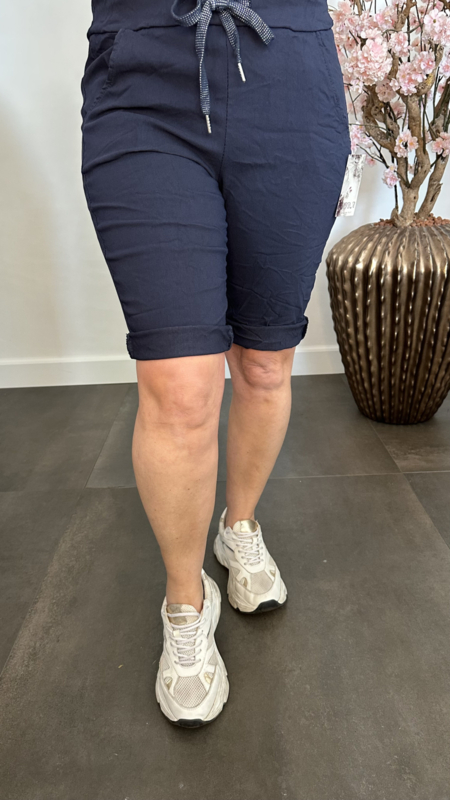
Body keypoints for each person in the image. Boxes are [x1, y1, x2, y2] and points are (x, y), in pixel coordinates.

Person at [81, 0, 351, 727]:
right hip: (144, 76)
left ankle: (240, 527)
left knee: (264, 361)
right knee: (180, 383)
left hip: (289, 72)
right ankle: (185, 602)